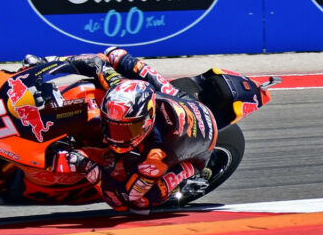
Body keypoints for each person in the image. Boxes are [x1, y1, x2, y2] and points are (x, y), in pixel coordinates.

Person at [26, 47, 218, 214]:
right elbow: (94, 62)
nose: (116, 136)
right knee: (114, 54)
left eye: (127, 129)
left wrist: (87, 166)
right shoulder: (119, 87)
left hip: (198, 147)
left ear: (146, 120)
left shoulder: (155, 156)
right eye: (112, 125)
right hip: (177, 100)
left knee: (142, 202)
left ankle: (189, 175)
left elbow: (122, 200)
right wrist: (44, 64)